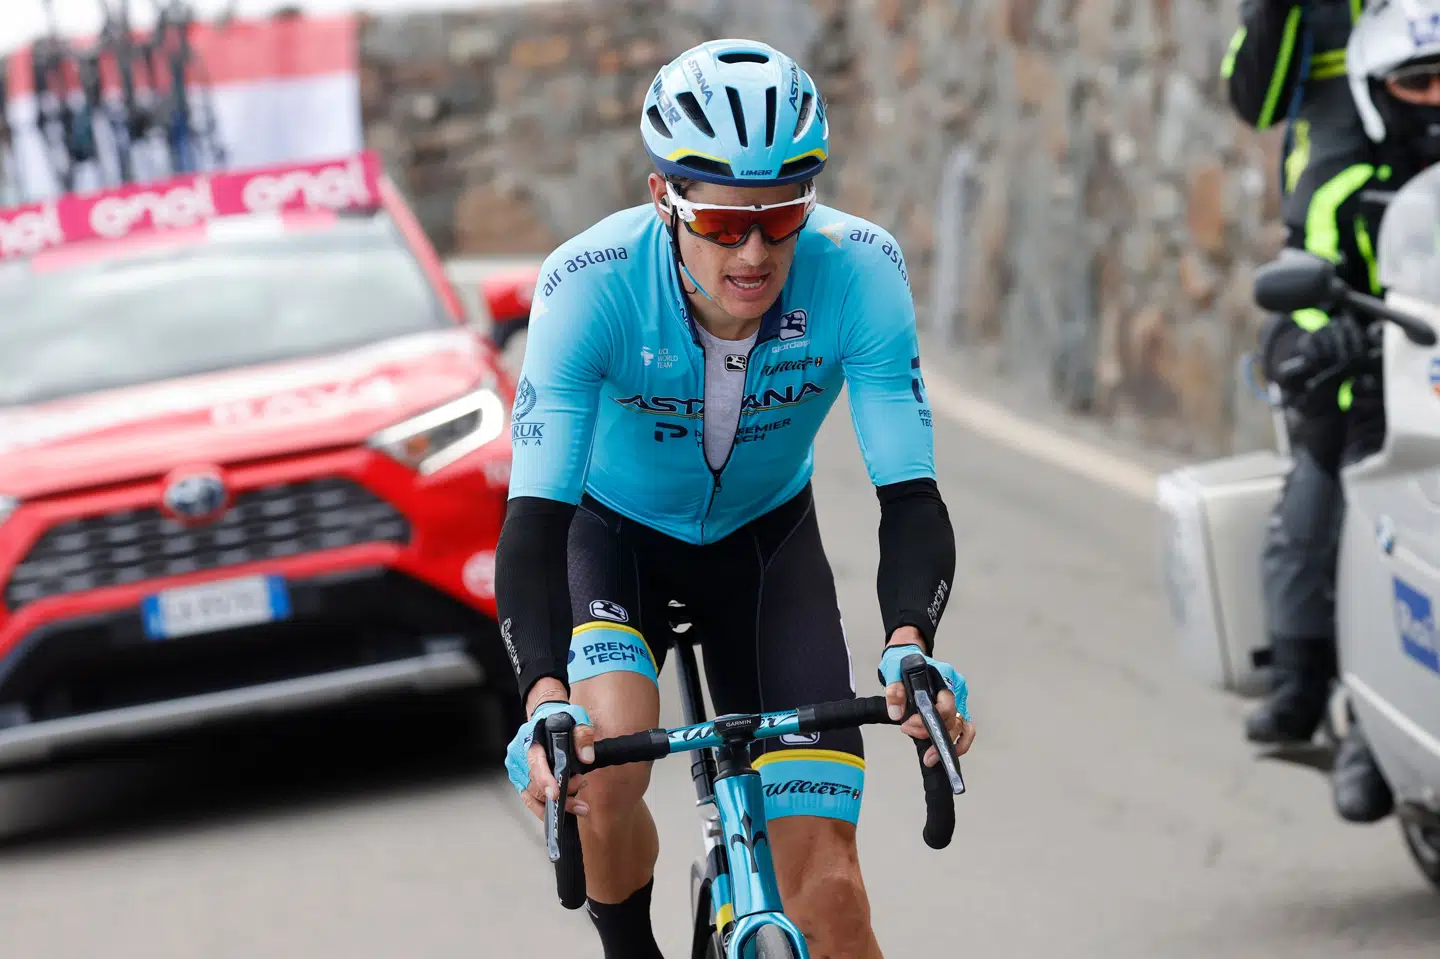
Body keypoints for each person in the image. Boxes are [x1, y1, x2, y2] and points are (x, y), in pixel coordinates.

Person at [492, 39, 975, 959]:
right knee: (605, 767)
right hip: (612, 542)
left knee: (830, 897)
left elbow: (910, 496)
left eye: (782, 216)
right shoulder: (588, 285)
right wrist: (543, 695)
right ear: (662, 198)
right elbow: (533, 522)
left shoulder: (861, 271)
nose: (754, 251)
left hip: (764, 549)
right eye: (722, 225)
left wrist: (912, 642)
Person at [1247, 0, 1440, 824]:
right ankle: (1334, 690)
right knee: (1332, 468)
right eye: (1417, 83)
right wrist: (1332, 336)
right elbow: (1311, 266)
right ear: (1374, 89)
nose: (1433, 100)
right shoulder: (1341, 174)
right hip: (1376, 369)